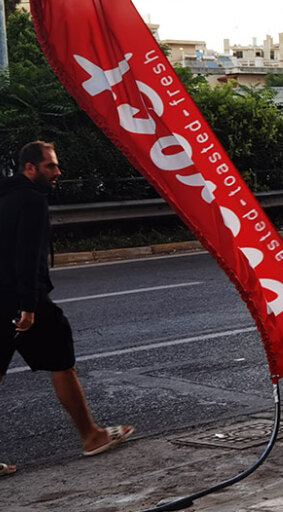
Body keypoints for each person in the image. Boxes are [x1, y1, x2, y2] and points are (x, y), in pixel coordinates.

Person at [0, 141, 134, 475]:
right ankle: (91, 436)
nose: (58, 172)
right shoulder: (31, 200)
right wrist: (28, 306)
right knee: (62, 359)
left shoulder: (3, 195)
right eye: (50, 166)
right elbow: (28, 257)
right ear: (30, 168)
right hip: (20, 299)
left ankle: (92, 434)